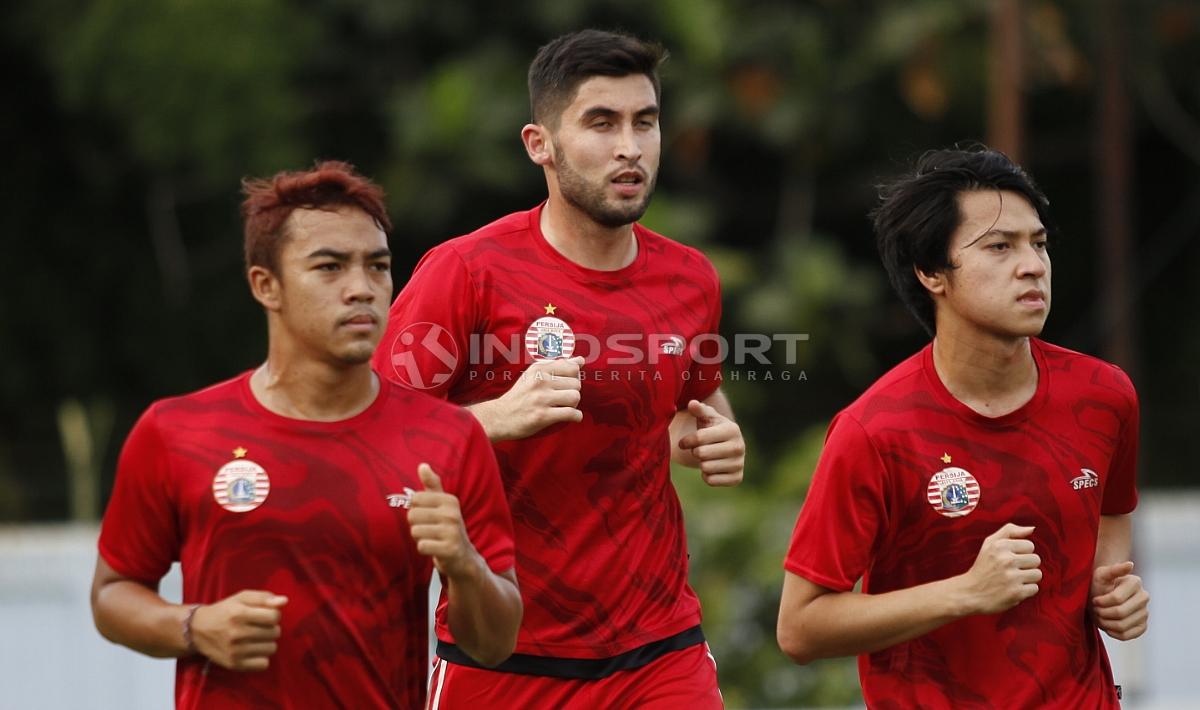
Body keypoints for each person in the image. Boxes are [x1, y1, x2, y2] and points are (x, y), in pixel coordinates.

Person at [373, 29, 743, 709]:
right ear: (539, 144)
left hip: (659, 650)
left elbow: (695, 400)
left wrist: (715, 434)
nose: (630, 147)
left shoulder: (690, 279)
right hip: (503, 653)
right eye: (602, 123)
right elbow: (364, 440)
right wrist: (491, 418)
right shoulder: (467, 272)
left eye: (645, 122)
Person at [91, 161, 522, 709]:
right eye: (330, 267)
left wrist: (464, 564)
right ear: (265, 285)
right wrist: (194, 627)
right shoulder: (176, 431)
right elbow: (113, 594)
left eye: (377, 266)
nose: (361, 289)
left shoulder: (449, 438)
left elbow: (495, 643)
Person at [777, 147, 1150, 708]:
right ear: (931, 272)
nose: (1033, 265)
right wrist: (965, 593)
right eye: (1000, 247)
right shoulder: (873, 432)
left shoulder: (1104, 396)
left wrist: (1108, 587)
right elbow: (800, 628)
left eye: (1038, 243)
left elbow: (1112, 510)